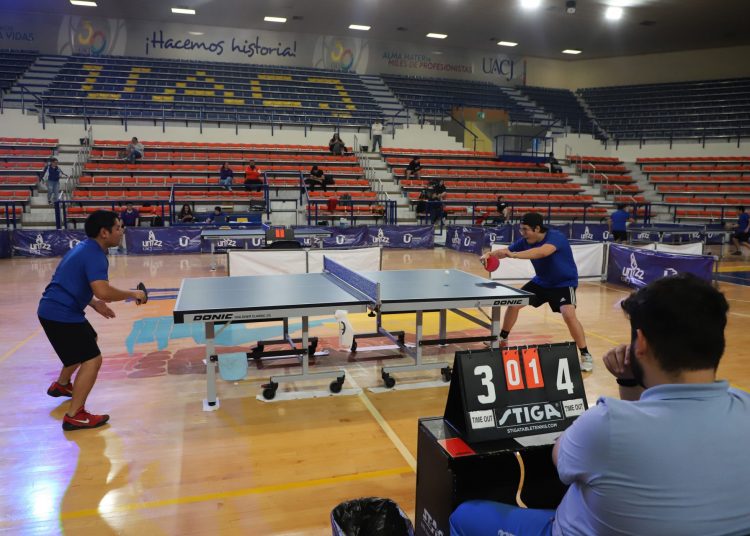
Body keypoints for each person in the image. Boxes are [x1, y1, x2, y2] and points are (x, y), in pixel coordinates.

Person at [450, 273, 750, 536]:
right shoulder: (745, 408)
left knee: (465, 515)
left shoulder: (607, 425)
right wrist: (629, 384)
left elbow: (561, 459)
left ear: (641, 343)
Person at [38, 210, 146, 431]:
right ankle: (75, 415)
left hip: (54, 309)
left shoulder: (84, 248)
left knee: (90, 339)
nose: (121, 231)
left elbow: (69, 281)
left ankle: (62, 385)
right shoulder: (95, 255)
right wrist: (133, 293)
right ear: (104, 233)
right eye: (118, 228)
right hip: (61, 313)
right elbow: (103, 291)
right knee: (92, 359)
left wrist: (94, 303)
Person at [481, 212, 594, 371]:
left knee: (568, 314)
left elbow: (542, 252)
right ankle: (502, 338)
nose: (522, 232)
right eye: (521, 229)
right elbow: (505, 251)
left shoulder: (556, 237)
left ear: (537, 229)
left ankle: (585, 354)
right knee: (514, 304)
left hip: (563, 283)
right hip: (541, 282)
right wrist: (489, 254)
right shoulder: (526, 241)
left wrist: (514, 255)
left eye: (525, 229)